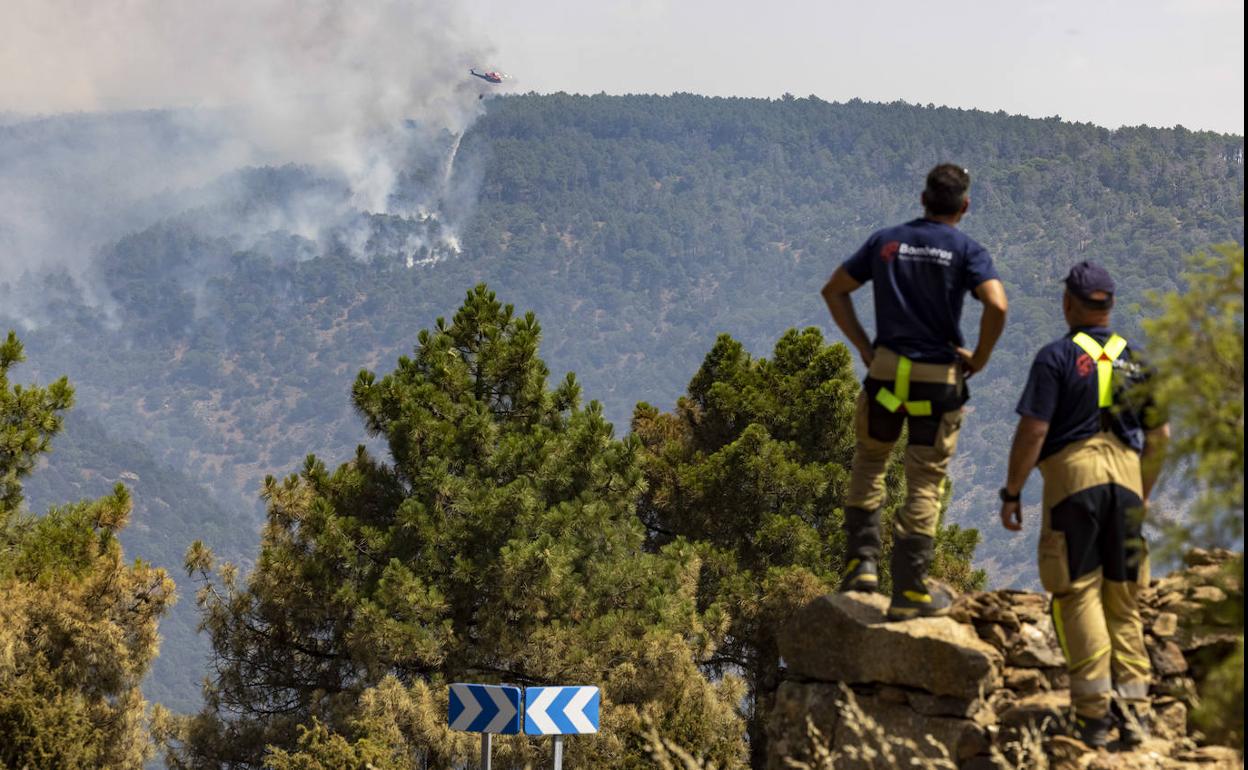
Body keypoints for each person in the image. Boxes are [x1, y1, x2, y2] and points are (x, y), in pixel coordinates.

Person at [822, 164, 1008, 620]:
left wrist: (865, 348)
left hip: (886, 374)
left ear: (923, 198)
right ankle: (909, 587)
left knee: (870, 462)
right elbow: (997, 304)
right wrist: (979, 358)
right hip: (938, 381)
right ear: (964, 206)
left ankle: (861, 567)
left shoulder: (887, 241)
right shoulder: (966, 250)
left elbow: (835, 290)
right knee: (925, 479)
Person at [999, 260, 1168, 748]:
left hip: (1075, 483)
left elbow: (1034, 430)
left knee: (1078, 594)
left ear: (1068, 304)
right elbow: (1161, 437)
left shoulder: (1055, 358)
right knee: (1125, 600)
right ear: (1110, 306)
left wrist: (1013, 491)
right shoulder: (1140, 362)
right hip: (1129, 484)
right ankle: (1136, 716)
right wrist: (1143, 491)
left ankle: (1092, 718)